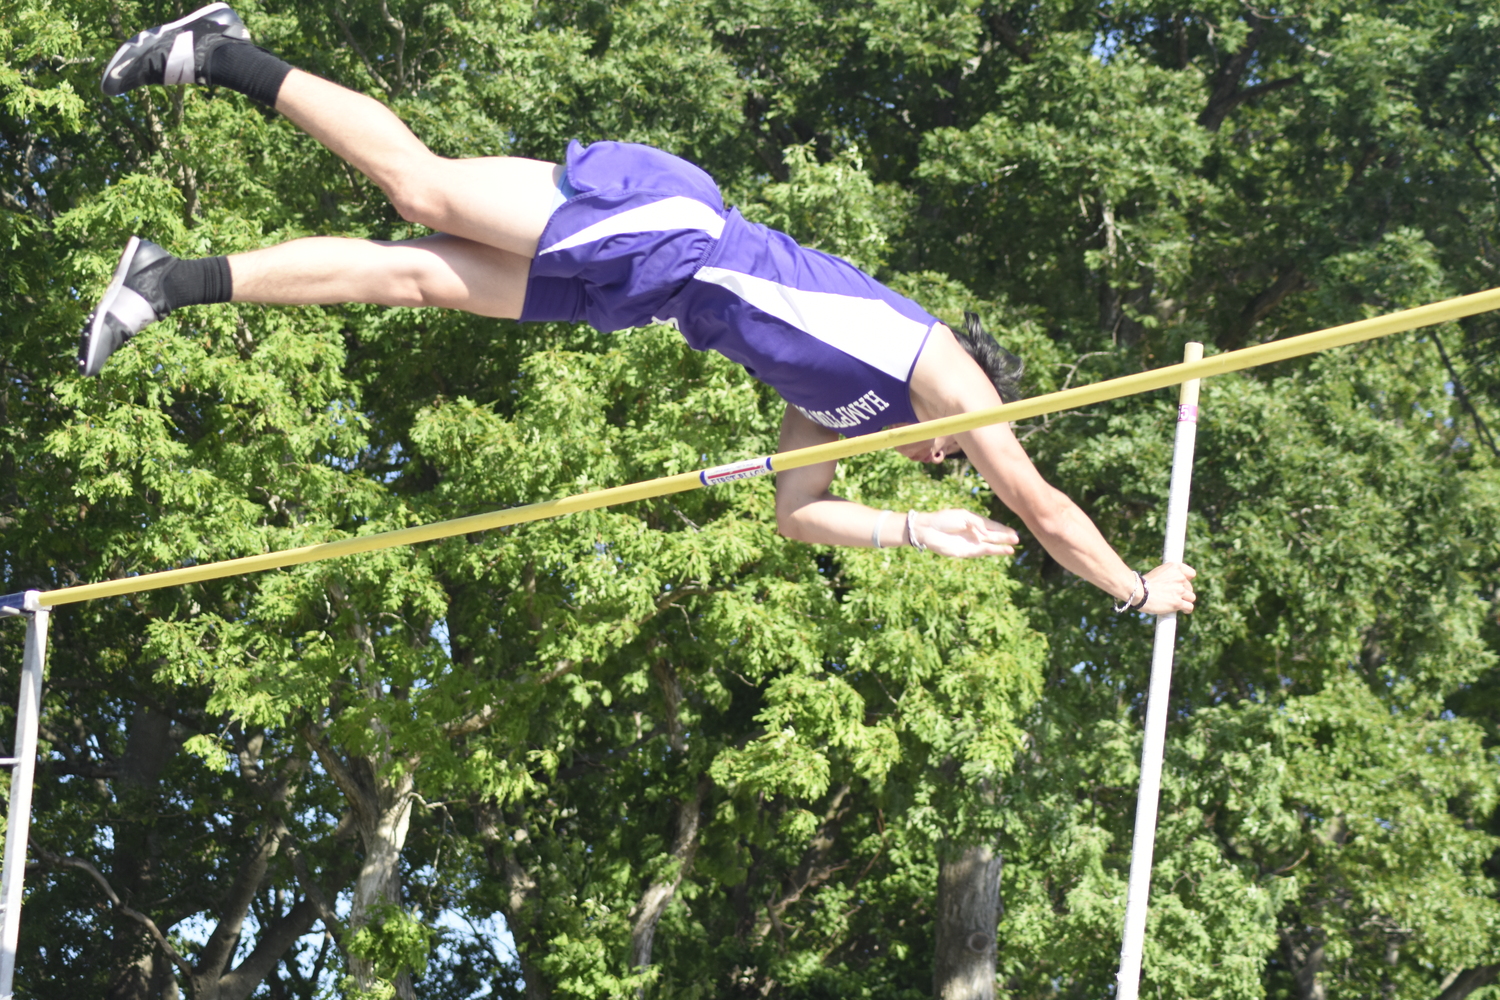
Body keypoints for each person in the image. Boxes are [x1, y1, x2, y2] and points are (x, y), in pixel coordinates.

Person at [82, 3, 1197, 615]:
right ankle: (217, 50)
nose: (950, 463)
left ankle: (166, 279)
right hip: (672, 232)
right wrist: (1138, 588)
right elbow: (1044, 507)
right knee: (418, 188)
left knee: (412, 272)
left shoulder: (852, 409)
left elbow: (796, 512)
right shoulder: (938, 369)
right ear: (981, 406)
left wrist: (918, 532)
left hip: (647, 292)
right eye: (958, 463)